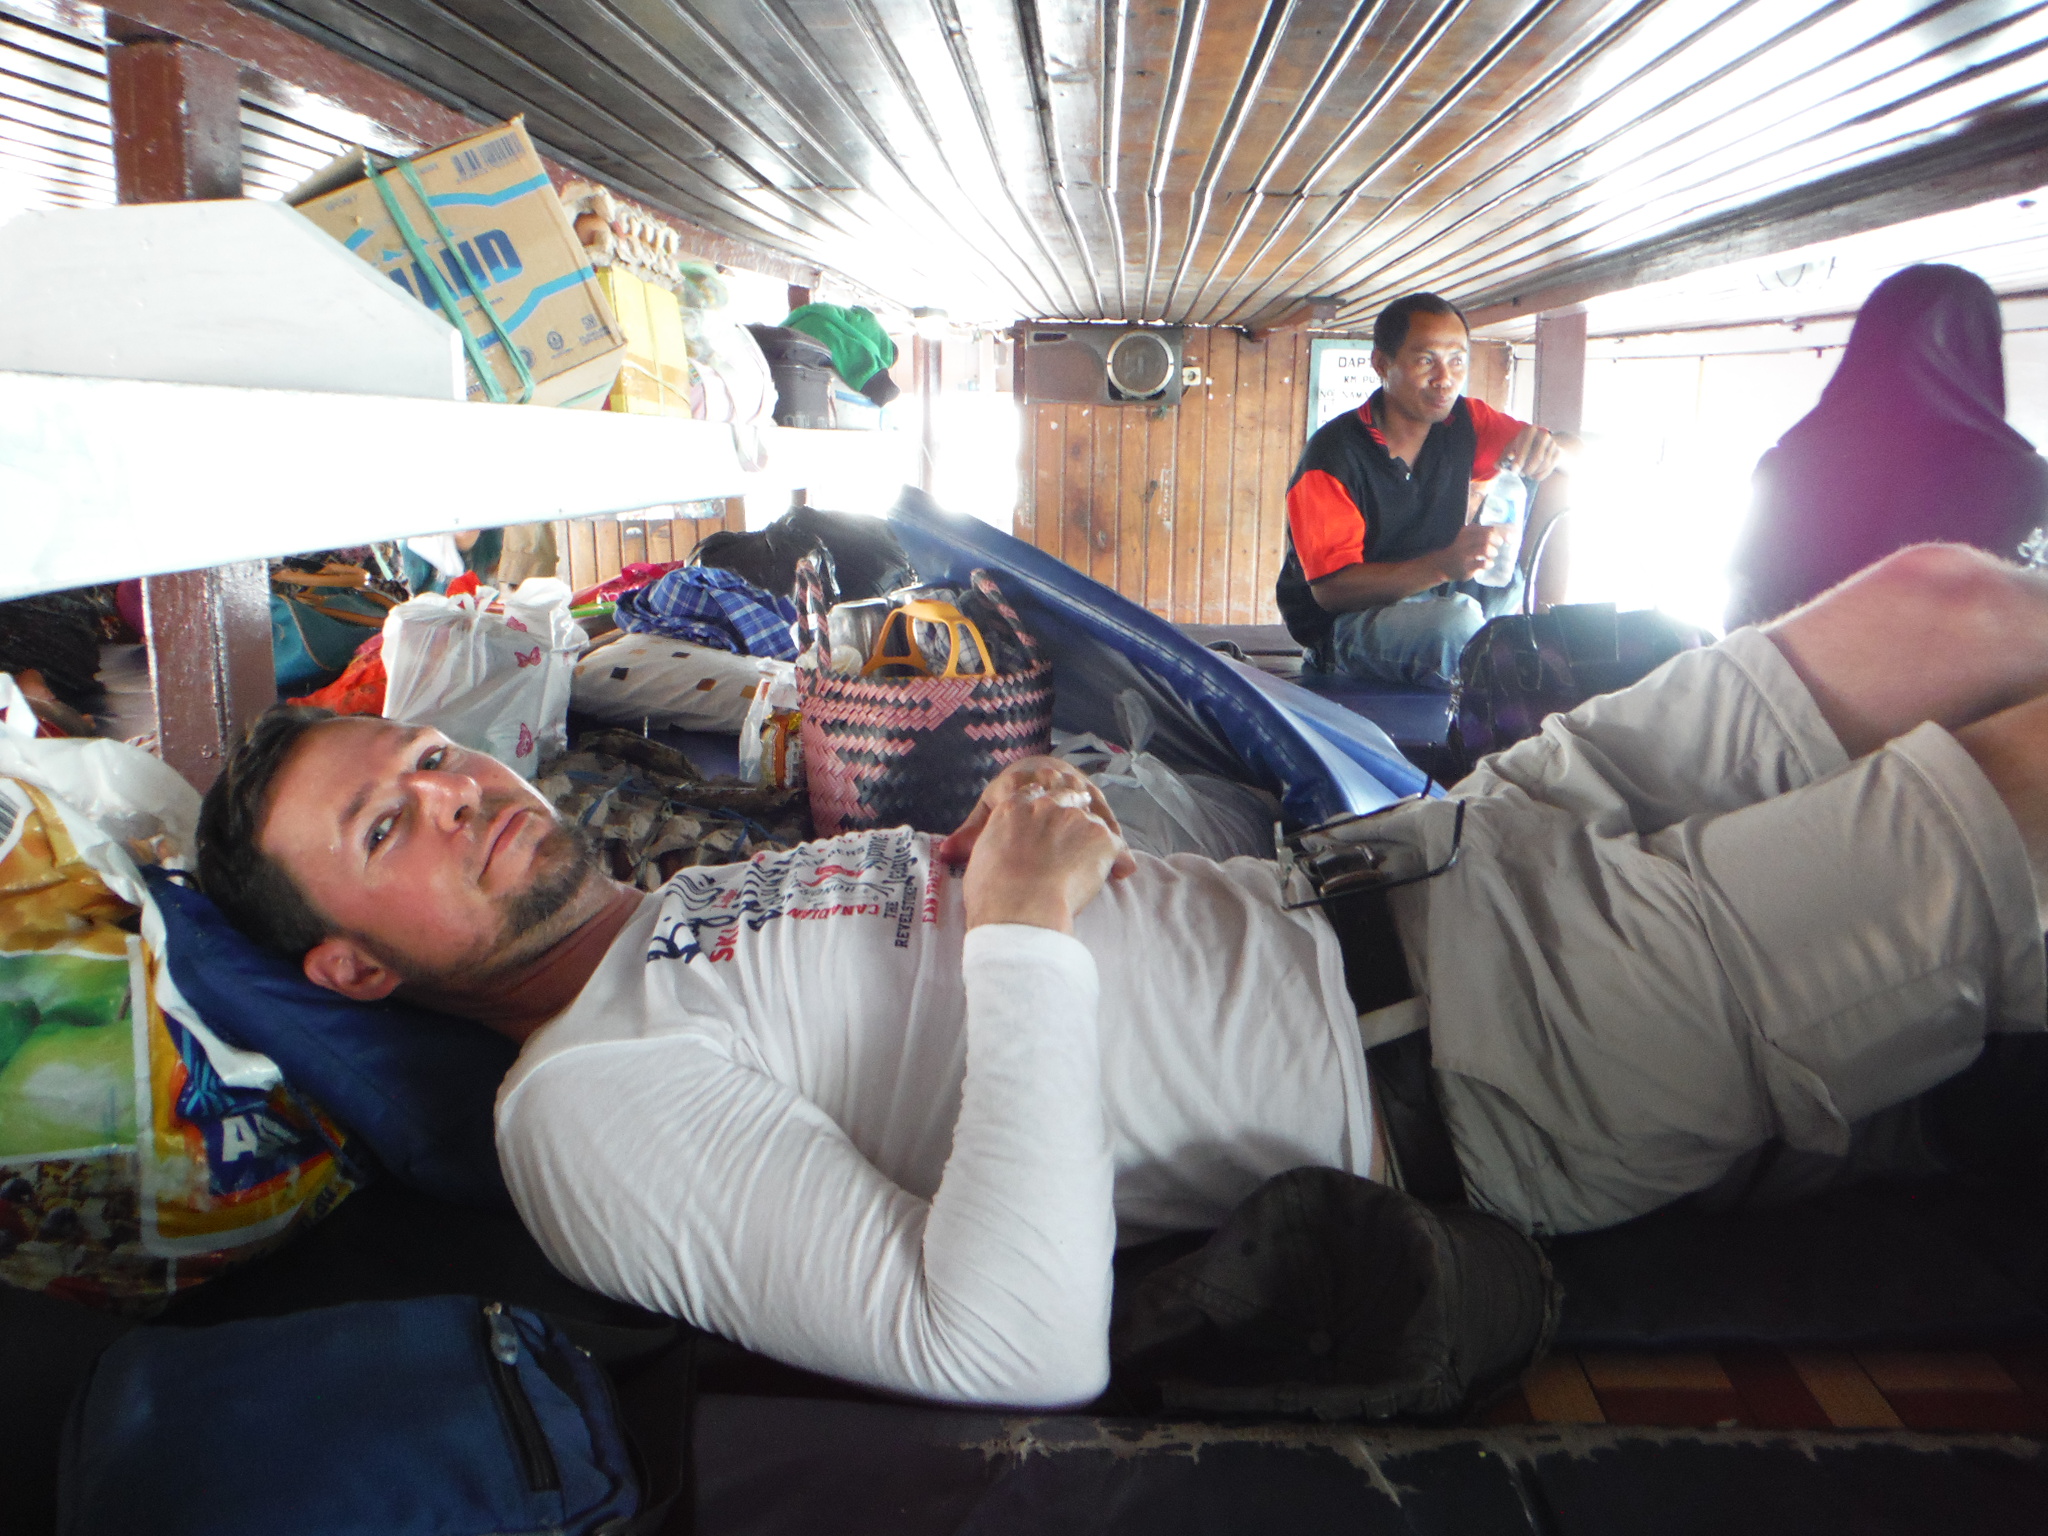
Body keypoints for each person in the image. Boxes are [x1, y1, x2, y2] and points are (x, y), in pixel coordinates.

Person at [195, 544, 2048, 1409]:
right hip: (1491, 1047)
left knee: (1944, 601)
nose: (458, 793)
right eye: (387, 826)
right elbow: (1001, 1341)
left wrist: (1036, 821)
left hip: (1435, 853)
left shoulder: (685, 911)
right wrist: (1019, 921)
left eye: (429, 758)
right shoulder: (584, 1116)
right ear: (350, 970)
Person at [1726, 263, 2048, 631]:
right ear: (1982, 347)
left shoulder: (1790, 464)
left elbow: (1745, 606)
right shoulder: (2026, 481)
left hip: (1794, 667)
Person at [1274, 292, 1564, 689]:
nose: (1445, 378)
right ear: (1382, 364)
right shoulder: (1332, 457)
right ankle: (1497, 666)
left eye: (1457, 360)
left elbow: (1572, 454)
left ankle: (1547, 631)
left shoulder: (1466, 422)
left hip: (1443, 593)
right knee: (1454, 626)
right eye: (1426, 360)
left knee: (1552, 471)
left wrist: (1553, 448)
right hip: (1351, 623)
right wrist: (1443, 565)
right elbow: (1332, 591)